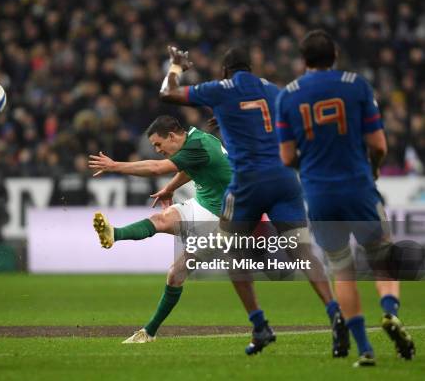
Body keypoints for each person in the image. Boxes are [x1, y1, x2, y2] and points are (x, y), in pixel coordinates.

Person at [159, 45, 347, 356]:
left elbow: (168, 93)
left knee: (232, 250)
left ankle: (260, 325)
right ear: (251, 67)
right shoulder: (273, 90)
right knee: (303, 250)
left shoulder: (219, 89)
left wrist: (177, 66)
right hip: (285, 179)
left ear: (224, 71)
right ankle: (334, 312)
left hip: (247, 182)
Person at [275, 30, 415, 367]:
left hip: (319, 195)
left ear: (303, 59)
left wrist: (307, 161)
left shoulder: (288, 96)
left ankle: (365, 349)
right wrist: (375, 168)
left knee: (342, 270)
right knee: (383, 257)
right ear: (335, 54)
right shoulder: (357, 85)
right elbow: (379, 145)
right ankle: (390, 312)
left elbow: (286, 157)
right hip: (358, 187)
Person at [89, 115, 232, 343]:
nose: (156, 149)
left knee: (175, 273)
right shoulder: (197, 140)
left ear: (173, 136)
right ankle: (113, 234)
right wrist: (169, 188)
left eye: (158, 144)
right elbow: (189, 167)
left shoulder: (198, 144)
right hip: (204, 205)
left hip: (223, 221)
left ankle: (149, 332)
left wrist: (115, 166)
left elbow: (156, 168)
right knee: (162, 224)